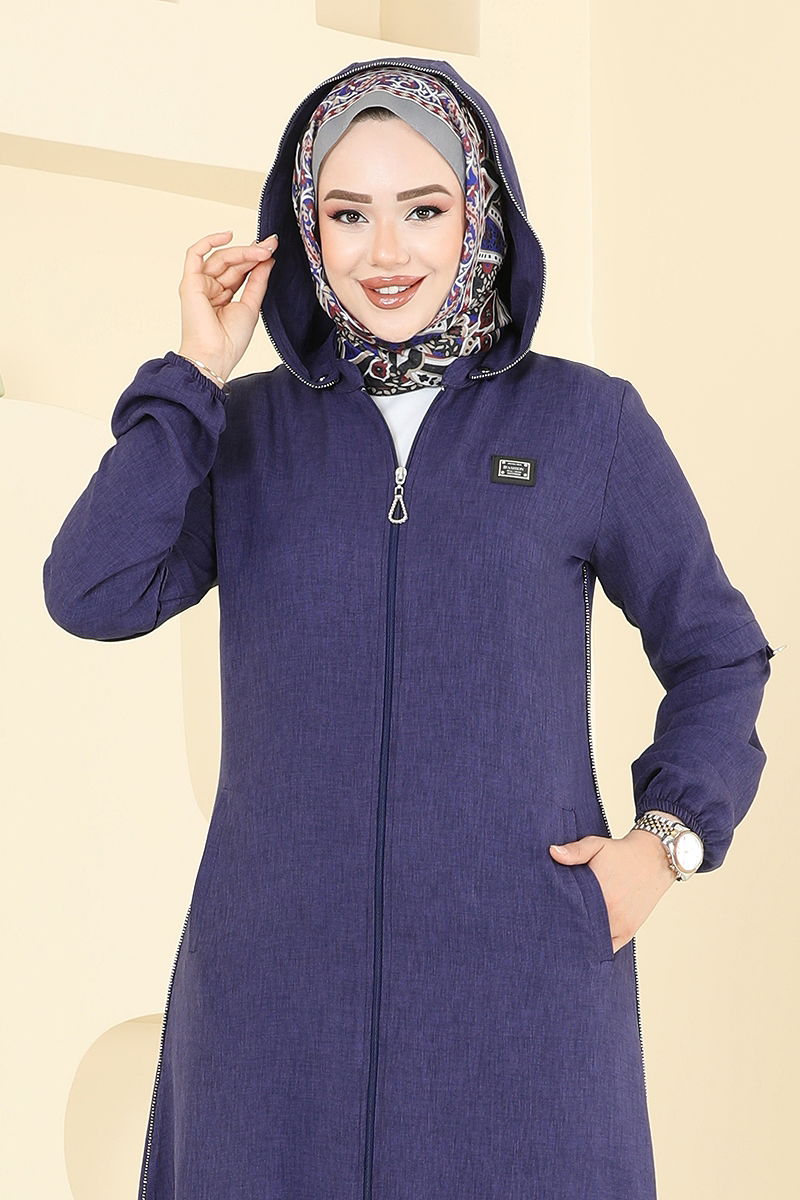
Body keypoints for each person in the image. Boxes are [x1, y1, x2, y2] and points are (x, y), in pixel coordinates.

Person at [42, 56, 776, 1199]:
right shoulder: (244, 429)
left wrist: (664, 842)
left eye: (422, 209)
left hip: (517, 991)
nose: (385, 252)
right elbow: (92, 592)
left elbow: (716, 651)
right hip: (269, 1002)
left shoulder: (585, 424)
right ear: (304, 230)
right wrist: (191, 376)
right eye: (347, 214)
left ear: (479, 212)